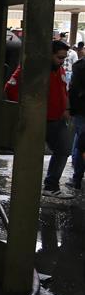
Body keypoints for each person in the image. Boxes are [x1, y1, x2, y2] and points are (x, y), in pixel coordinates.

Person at [4, 40, 74, 198]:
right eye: (59, 57)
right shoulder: (30, 69)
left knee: (63, 150)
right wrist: (27, 110)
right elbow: (10, 89)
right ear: (49, 54)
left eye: (64, 58)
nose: (61, 61)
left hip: (56, 119)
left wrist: (66, 108)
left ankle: (51, 186)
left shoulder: (59, 69)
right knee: (31, 154)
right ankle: (26, 188)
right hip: (37, 120)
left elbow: (64, 90)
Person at [69, 50, 85, 190]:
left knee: (80, 144)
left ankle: (77, 178)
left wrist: (71, 110)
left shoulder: (79, 66)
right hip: (81, 111)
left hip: (81, 111)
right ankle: (77, 178)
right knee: (80, 143)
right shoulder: (79, 66)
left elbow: (74, 90)